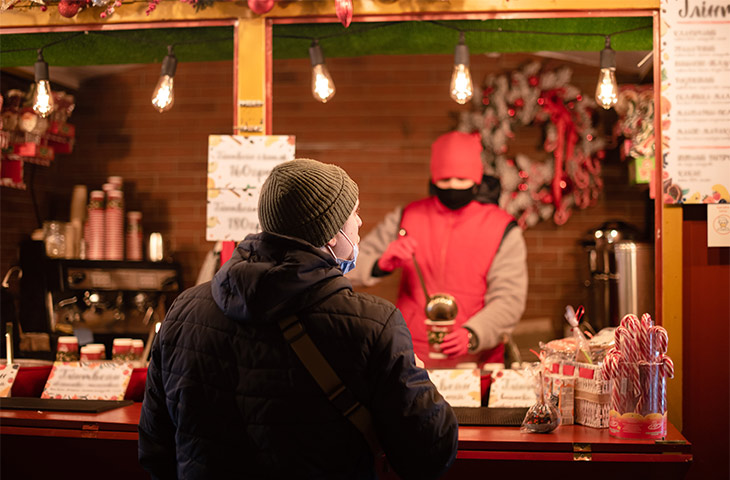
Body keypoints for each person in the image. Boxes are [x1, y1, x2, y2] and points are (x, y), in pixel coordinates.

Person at [138, 158, 458, 479]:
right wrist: (416, 374)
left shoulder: (183, 311)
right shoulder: (374, 324)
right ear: (331, 234)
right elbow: (429, 453)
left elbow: (155, 448)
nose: (360, 223)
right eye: (354, 213)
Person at [348, 131, 528, 371]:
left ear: (477, 179)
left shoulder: (502, 228)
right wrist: (379, 264)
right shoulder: (406, 217)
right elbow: (347, 264)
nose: (453, 186)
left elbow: (509, 299)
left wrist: (474, 334)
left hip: (476, 362)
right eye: (445, 180)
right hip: (412, 357)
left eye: (461, 179)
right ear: (433, 179)